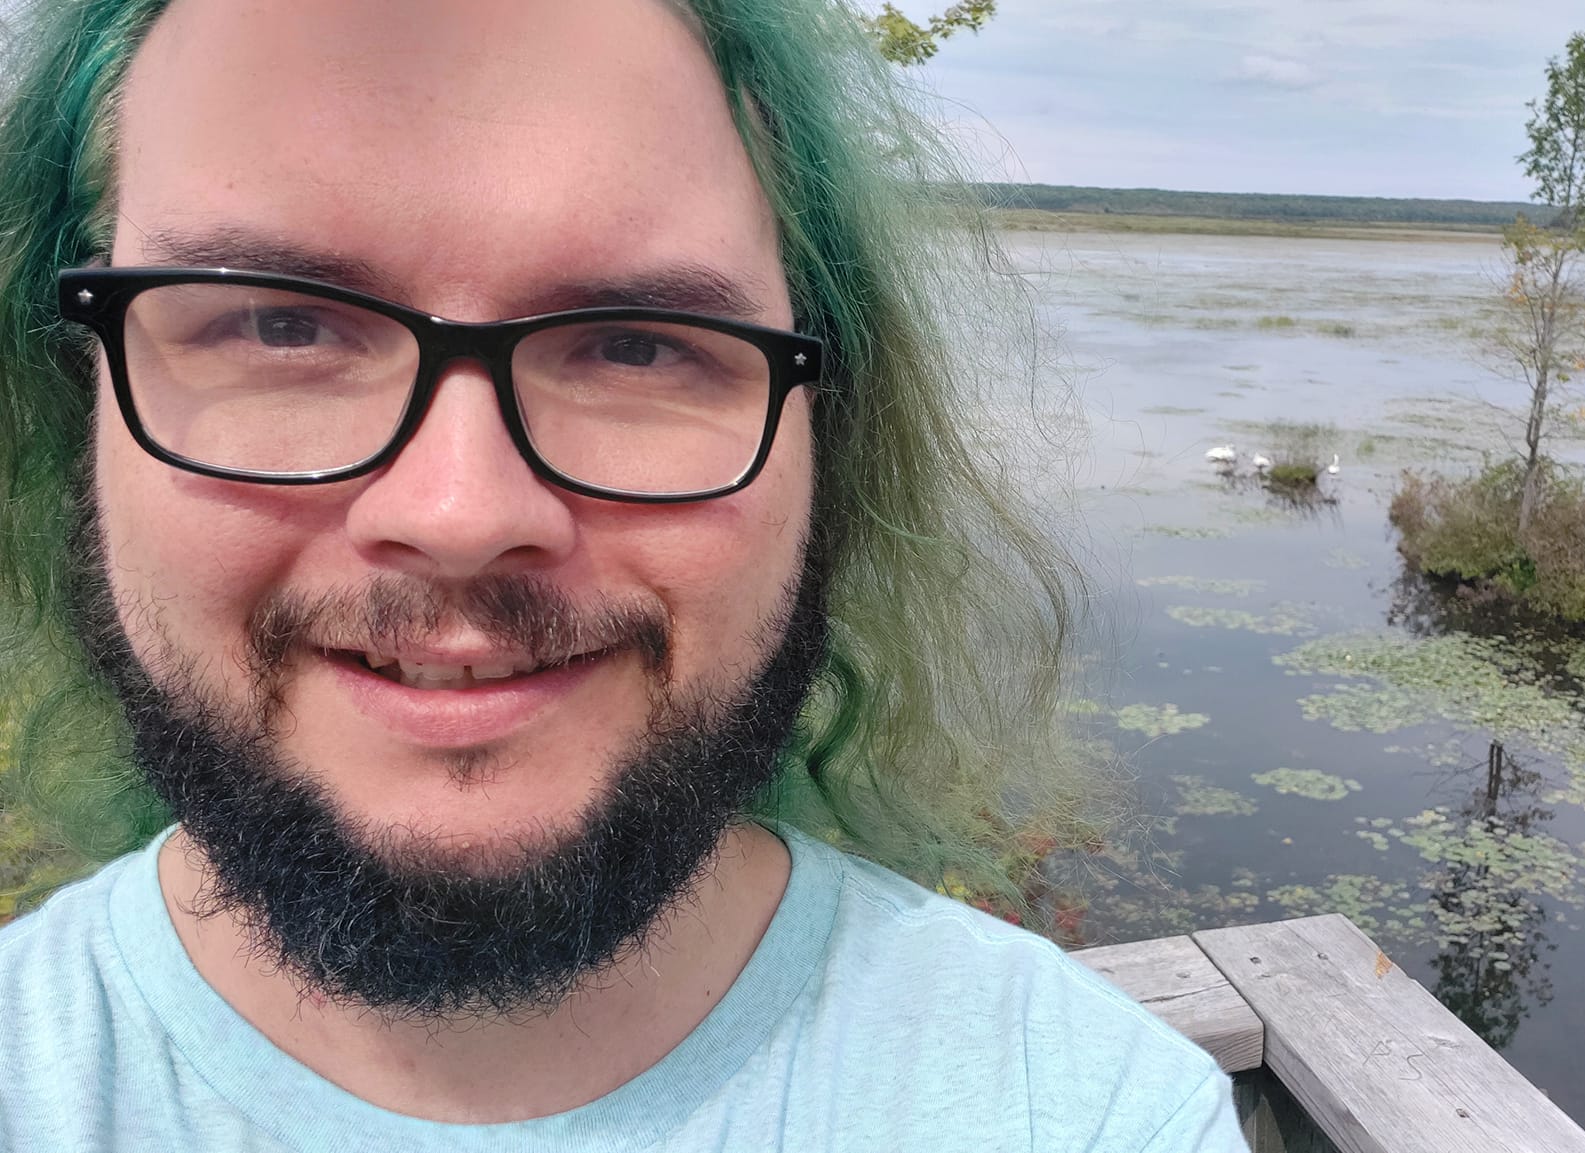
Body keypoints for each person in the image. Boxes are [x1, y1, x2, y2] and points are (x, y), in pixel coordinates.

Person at [0, 0, 1249, 1148]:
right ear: (79, 407)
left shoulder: (1081, 1112)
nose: (461, 510)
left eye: (638, 345)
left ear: (830, 447)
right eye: (280, 324)